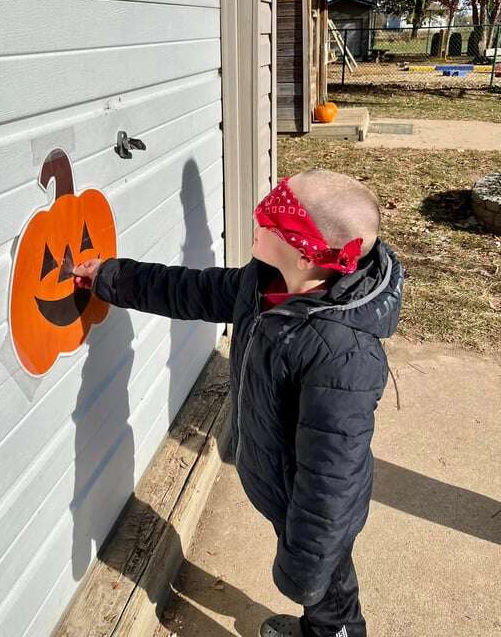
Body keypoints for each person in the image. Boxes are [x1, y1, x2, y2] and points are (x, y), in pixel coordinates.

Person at [73, 168, 403, 637]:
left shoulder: (342, 354)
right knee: (324, 576)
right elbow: (191, 290)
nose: (258, 222)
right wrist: (112, 277)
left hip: (312, 505)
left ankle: (332, 630)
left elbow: (333, 479)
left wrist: (304, 569)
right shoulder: (264, 284)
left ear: (308, 253)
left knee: (329, 584)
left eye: (271, 222)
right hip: (280, 480)